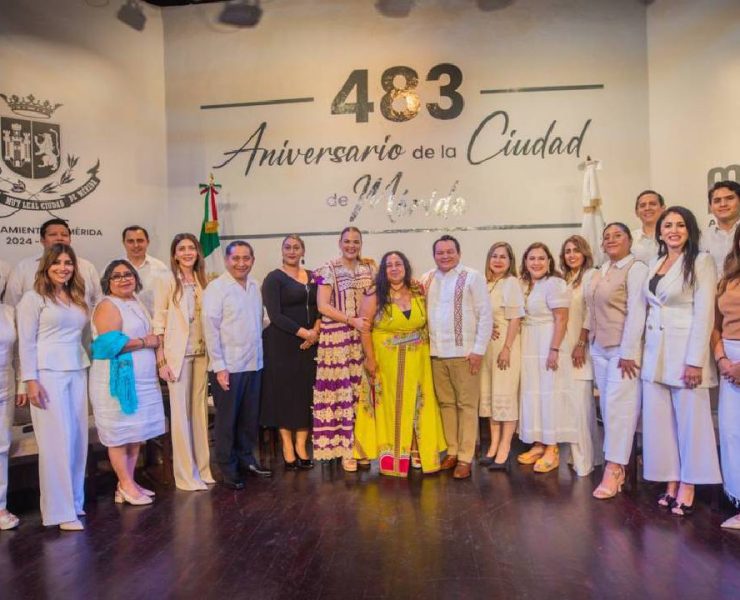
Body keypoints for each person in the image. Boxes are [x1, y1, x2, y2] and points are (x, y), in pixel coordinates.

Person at [642, 206, 721, 516]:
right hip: (655, 354)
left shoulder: (701, 261)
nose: (673, 230)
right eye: (667, 225)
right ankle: (671, 479)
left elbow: (704, 314)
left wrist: (695, 361)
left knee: (691, 423)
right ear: (660, 231)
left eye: (680, 225)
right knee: (661, 424)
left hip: (685, 353)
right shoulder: (654, 262)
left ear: (689, 230)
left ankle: (690, 483)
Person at [17, 244, 90, 530]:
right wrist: (30, 380)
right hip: (47, 375)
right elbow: (26, 342)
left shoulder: (75, 297)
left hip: (76, 370)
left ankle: (74, 502)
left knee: (76, 441)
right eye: (57, 262)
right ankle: (59, 513)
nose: (63, 267)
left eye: (68, 262)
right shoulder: (32, 299)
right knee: (55, 444)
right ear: (46, 266)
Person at [355, 251, 447, 476]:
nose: (394, 268)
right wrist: (370, 358)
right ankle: (394, 458)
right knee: (391, 406)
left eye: (398, 264)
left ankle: (417, 451)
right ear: (383, 271)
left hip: (418, 359)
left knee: (418, 403)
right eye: (389, 265)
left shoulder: (417, 290)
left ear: (405, 267)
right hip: (386, 361)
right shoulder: (375, 293)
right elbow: (365, 328)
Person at [89, 260, 165, 506]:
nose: (123, 279)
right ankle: (125, 483)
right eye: (116, 276)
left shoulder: (136, 301)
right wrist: (146, 342)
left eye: (128, 274)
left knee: (135, 434)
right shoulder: (107, 305)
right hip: (117, 381)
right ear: (107, 282)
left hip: (142, 378)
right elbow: (109, 345)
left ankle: (127, 484)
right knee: (120, 435)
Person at [583, 223, 648, 498]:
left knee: (620, 410)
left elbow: (637, 311)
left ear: (629, 239)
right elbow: (590, 309)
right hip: (599, 347)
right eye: (606, 236)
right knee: (608, 410)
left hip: (623, 351)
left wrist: (629, 352)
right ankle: (615, 461)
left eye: (617, 235)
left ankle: (614, 469)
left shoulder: (636, 269)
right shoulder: (599, 271)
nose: (611, 240)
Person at [203, 241, 271, 490]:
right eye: (236, 258)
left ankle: (246, 459)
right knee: (227, 421)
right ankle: (227, 467)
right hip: (228, 367)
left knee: (248, 419)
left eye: (246, 258)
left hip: (253, 363)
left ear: (252, 260)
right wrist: (219, 367)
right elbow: (210, 329)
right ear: (227, 260)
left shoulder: (254, 285)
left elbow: (262, 319)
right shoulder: (216, 288)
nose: (241, 263)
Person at [423, 235, 492, 479]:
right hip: (436, 354)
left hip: (464, 354)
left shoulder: (472, 277)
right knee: (446, 405)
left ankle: (465, 457)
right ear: (434, 255)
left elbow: (485, 315)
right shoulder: (427, 278)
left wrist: (478, 351)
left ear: (458, 253)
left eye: (450, 251)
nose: (445, 256)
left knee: (467, 406)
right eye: (440, 252)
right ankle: (451, 452)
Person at [152, 233, 214, 491]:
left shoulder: (204, 280)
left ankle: (203, 469)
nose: (188, 252)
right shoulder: (165, 279)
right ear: (175, 254)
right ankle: (185, 475)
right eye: (182, 248)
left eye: (192, 248)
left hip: (201, 354)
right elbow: (158, 320)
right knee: (180, 417)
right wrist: (161, 360)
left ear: (198, 252)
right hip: (177, 356)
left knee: (199, 413)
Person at [312, 227, 375, 471]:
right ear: (339, 243)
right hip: (337, 338)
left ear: (361, 243)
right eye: (347, 241)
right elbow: (322, 306)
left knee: (361, 393)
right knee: (341, 394)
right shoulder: (326, 269)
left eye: (356, 242)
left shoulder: (370, 268)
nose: (351, 245)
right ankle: (344, 450)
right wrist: (352, 321)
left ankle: (361, 447)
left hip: (362, 338)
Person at [261, 235, 319, 470]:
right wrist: (303, 333)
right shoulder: (273, 278)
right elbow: (275, 315)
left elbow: (322, 306)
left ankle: (302, 445)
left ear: (303, 250)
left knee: (305, 394)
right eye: (288, 247)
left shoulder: (316, 276)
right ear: (282, 251)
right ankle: (287, 446)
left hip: (311, 344)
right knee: (285, 395)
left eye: (296, 247)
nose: (292, 251)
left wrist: (315, 330)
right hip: (283, 344)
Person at [516, 243, 575, 473]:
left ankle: (552, 448)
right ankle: (538, 443)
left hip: (548, 340)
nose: (536, 263)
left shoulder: (554, 283)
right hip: (530, 342)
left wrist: (554, 349)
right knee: (533, 393)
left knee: (549, 393)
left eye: (541, 258)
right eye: (532, 258)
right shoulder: (526, 284)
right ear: (526, 262)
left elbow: (561, 318)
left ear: (549, 261)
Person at [478, 242, 524, 470]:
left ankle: (505, 447)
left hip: (507, 345)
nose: (498, 260)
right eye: (494, 256)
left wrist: (507, 347)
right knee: (490, 395)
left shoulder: (511, 283)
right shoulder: (485, 284)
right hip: (487, 347)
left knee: (505, 395)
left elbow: (515, 318)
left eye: (503, 257)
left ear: (510, 261)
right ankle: (493, 444)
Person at [560, 235, 603, 476]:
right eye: (567, 251)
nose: (572, 255)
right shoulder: (565, 278)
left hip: (580, 347)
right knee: (575, 407)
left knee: (581, 408)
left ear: (585, 252)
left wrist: (580, 342)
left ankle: (584, 462)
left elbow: (591, 312)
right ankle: (592, 456)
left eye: (576, 250)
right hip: (565, 347)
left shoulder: (590, 276)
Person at [711, 224, 740, 529]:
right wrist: (721, 358)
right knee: (732, 434)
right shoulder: (726, 279)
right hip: (728, 358)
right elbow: (715, 325)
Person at [5, 218, 102, 308]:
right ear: (42, 241)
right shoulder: (24, 267)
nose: (59, 238)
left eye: (64, 235)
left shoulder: (87, 267)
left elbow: (98, 302)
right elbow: (11, 305)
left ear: (70, 240)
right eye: (53, 235)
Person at [0, 304, 23, 530]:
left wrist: (22, 385)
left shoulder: (8, 311)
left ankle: (0, 506)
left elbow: (17, 352)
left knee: (1, 446)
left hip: (4, 386)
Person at [121, 225, 170, 316]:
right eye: (130, 241)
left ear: (147, 242)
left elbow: (168, 300)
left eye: (140, 240)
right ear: (124, 243)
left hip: (154, 325)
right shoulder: (113, 268)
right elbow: (104, 298)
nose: (136, 245)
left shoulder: (160, 268)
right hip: (122, 326)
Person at [701, 180, 740, 277]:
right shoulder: (702, 238)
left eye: (730, 198)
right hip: (712, 291)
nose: (723, 204)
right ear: (710, 206)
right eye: (717, 200)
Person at [631, 190, 665, 265]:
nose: (647, 208)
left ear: (663, 209)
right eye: (642, 205)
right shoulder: (629, 239)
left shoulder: (672, 236)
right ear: (637, 212)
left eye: (652, 204)